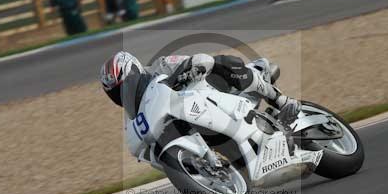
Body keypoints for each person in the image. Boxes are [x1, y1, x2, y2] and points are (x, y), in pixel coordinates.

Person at [100, 52, 300, 125]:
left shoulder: (161, 66)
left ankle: (281, 101)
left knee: (222, 62)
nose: (124, 94)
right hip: (197, 117)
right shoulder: (137, 116)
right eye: (118, 93)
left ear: (135, 70)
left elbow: (201, 60)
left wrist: (184, 76)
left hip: (213, 92)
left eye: (125, 86)